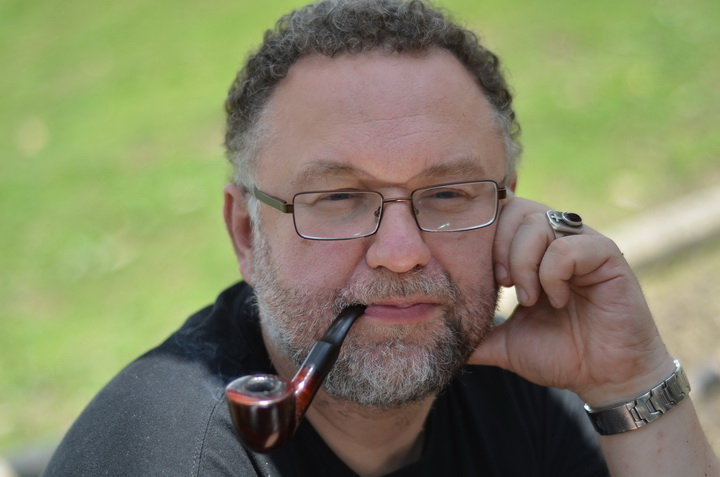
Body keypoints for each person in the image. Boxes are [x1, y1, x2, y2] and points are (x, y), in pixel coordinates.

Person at [44, 0, 719, 475]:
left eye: (448, 193)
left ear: (508, 206)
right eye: (339, 198)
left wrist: (629, 379)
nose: (401, 252)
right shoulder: (166, 459)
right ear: (247, 233)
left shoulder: (515, 391)